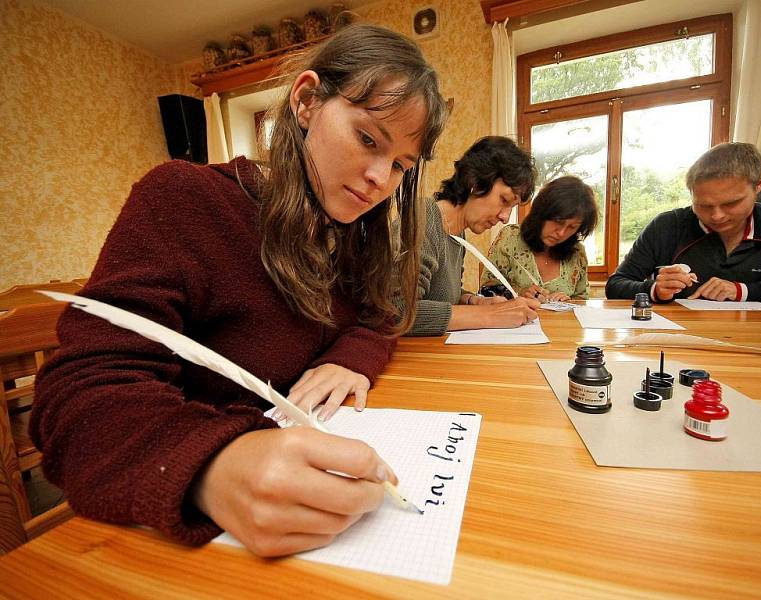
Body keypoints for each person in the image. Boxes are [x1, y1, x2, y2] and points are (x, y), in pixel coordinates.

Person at [31, 24, 448, 557]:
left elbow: (379, 317)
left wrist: (353, 358)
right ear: (306, 101)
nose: (378, 178)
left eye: (399, 166)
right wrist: (211, 467)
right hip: (169, 537)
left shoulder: (352, 235)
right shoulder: (185, 199)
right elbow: (75, 404)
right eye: (368, 139)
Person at [606, 142, 761, 302]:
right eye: (704, 206)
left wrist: (743, 291)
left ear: (759, 184)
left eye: (731, 203)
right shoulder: (666, 226)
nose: (717, 216)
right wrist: (655, 289)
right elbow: (616, 285)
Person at [405, 136, 540, 336]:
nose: (505, 217)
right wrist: (491, 315)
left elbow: (443, 296)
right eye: (504, 200)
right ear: (475, 182)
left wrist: (476, 301)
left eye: (511, 207)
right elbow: (396, 312)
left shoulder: (456, 233)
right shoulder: (424, 219)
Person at [481, 176, 597, 301]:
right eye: (558, 221)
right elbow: (485, 290)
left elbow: (582, 299)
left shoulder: (577, 253)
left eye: (572, 227)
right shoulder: (510, 237)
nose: (561, 233)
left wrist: (568, 301)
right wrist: (517, 293)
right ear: (542, 212)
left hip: (558, 321)